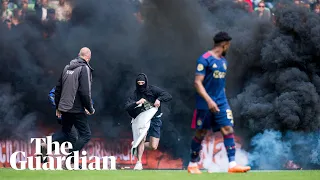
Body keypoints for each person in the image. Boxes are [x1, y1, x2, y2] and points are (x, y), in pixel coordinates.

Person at [187, 32, 251, 174]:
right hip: (205, 103)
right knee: (201, 133)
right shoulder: (204, 59)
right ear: (224, 44)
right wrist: (209, 101)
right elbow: (198, 83)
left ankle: (232, 165)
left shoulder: (223, 61)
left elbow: (221, 84)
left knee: (228, 129)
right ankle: (192, 164)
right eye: (229, 45)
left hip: (221, 102)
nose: (229, 47)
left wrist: (222, 99)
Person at [55, 47, 95, 169]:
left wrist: (58, 107)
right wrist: (90, 107)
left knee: (66, 133)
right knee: (86, 135)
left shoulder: (66, 67)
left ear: (79, 55)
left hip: (65, 108)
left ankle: (47, 145)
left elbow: (58, 88)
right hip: (76, 108)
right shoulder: (84, 68)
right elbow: (84, 92)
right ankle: (69, 160)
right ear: (88, 56)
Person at [125, 73, 172, 170]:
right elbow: (127, 106)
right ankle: (139, 163)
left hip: (155, 118)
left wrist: (159, 99)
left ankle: (136, 143)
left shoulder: (153, 89)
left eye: (142, 82)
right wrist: (137, 102)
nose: (141, 85)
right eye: (139, 83)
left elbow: (168, 95)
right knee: (142, 138)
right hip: (142, 119)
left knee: (153, 146)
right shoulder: (135, 94)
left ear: (146, 82)